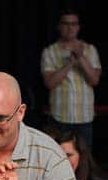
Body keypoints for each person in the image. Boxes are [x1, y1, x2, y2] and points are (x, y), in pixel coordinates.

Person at [41, 9, 101, 148]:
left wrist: (80, 57)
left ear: (78, 27)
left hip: (84, 117)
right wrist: (70, 63)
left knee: (85, 160)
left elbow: (94, 80)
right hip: (60, 117)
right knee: (59, 158)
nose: (70, 28)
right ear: (59, 27)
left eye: (74, 24)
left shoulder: (90, 50)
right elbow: (49, 83)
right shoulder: (50, 52)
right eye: (66, 24)